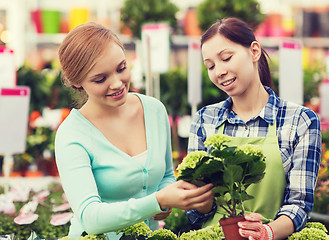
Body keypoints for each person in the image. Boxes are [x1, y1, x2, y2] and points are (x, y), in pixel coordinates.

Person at [55, 22, 214, 239]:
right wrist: (158, 201)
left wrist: (173, 196)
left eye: (121, 68)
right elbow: (90, 218)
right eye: (100, 79)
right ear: (76, 82)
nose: (117, 83)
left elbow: (166, 174)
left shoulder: (154, 110)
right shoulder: (72, 134)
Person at [186, 17, 322, 240]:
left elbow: (298, 205)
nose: (219, 71)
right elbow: (194, 214)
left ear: (254, 51)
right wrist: (198, 198)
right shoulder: (204, 120)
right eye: (210, 66)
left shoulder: (300, 121)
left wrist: (267, 232)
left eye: (226, 58)